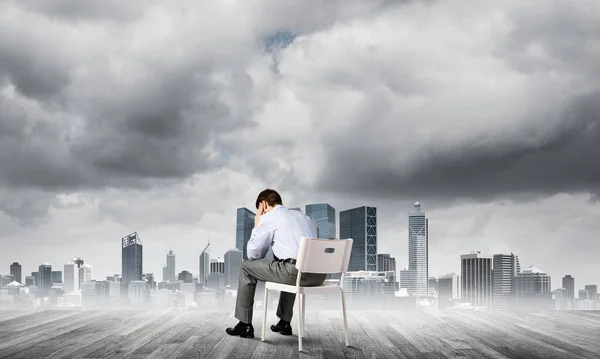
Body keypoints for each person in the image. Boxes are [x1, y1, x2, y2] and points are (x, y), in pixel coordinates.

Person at [225, 189, 326, 339]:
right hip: (318, 275)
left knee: (246, 267)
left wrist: (257, 225)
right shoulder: (305, 217)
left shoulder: (270, 217)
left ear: (263, 205)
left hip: (295, 273)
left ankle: (244, 324)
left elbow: (253, 255)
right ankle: (284, 322)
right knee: (288, 265)